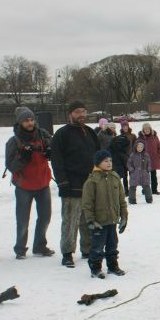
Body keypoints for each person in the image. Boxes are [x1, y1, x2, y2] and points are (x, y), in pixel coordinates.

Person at [51, 100, 99, 267]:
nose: (82, 115)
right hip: (71, 184)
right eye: (78, 111)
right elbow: (57, 161)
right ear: (70, 114)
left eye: (84, 111)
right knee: (70, 220)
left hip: (90, 184)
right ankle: (67, 252)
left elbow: (98, 157)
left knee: (88, 219)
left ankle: (87, 249)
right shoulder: (62, 134)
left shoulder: (90, 132)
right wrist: (62, 182)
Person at [4, 107, 54, 259]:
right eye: (26, 120)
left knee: (45, 217)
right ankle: (20, 248)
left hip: (43, 183)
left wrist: (50, 152)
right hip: (24, 186)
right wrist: (23, 158)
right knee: (23, 219)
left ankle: (40, 246)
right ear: (20, 122)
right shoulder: (14, 141)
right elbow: (11, 166)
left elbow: (52, 152)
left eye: (31, 119)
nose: (30, 123)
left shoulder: (43, 135)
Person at [82, 150, 128, 279]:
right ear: (98, 163)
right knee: (97, 246)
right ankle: (95, 268)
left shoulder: (115, 177)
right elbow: (87, 203)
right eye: (105, 161)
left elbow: (121, 199)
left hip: (112, 220)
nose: (109, 163)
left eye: (110, 160)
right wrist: (90, 220)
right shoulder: (92, 181)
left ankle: (112, 266)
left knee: (112, 244)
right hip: (99, 222)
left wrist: (124, 216)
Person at [139, 122, 160, 195]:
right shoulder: (140, 138)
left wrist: (159, 155)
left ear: (150, 128)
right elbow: (136, 148)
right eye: (145, 129)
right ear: (143, 130)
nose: (147, 130)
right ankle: (145, 190)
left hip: (153, 159)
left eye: (148, 128)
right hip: (144, 160)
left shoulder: (154, 136)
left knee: (153, 176)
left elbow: (159, 146)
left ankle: (154, 190)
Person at [127, 139, 152, 204]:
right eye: (138, 147)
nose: (140, 148)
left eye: (141, 147)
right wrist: (131, 169)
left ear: (143, 148)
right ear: (135, 147)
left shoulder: (146, 155)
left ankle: (149, 199)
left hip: (144, 173)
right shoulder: (132, 155)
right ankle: (132, 200)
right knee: (132, 187)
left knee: (146, 186)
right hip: (135, 173)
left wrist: (148, 169)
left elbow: (149, 162)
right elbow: (129, 163)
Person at [109, 125, 131, 195]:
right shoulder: (122, 141)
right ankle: (126, 191)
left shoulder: (115, 140)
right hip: (121, 160)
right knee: (123, 176)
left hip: (116, 160)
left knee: (118, 177)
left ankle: (120, 191)